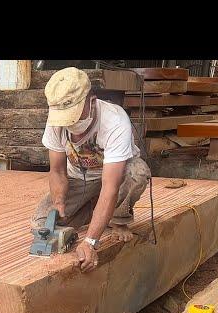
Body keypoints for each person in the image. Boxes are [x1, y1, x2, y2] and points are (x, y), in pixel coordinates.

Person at [31, 67, 151, 273]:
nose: (71, 122)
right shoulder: (55, 122)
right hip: (79, 177)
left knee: (137, 172)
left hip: (117, 178)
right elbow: (58, 171)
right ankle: (93, 210)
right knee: (42, 223)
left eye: (75, 115)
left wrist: (90, 241)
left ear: (92, 101)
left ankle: (117, 218)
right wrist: (59, 201)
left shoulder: (115, 121)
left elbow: (110, 187)